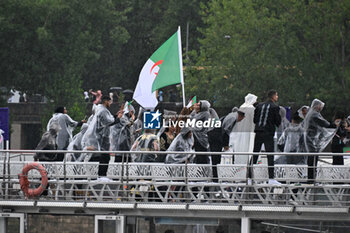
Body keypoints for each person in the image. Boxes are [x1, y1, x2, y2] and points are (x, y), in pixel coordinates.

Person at [81, 96, 122, 180]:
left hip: (98, 139)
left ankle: (95, 177)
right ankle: (101, 177)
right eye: (110, 101)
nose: (110, 103)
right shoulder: (103, 110)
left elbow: (108, 120)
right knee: (103, 158)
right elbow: (108, 122)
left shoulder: (100, 109)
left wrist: (116, 116)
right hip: (99, 140)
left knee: (97, 157)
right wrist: (118, 118)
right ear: (106, 101)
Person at [251, 90, 281, 185]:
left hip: (258, 132)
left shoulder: (259, 106)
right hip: (268, 133)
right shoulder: (275, 107)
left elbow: (255, 119)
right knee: (270, 155)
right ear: (273, 96)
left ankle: (249, 177)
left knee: (255, 154)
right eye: (276, 95)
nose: (277, 97)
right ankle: (271, 178)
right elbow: (278, 122)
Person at [303, 99, 337, 183]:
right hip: (311, 139)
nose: (321, 108)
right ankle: (311, 179)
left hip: (311, 138)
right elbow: (323, 123)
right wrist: (332, 125)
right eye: (320, 106)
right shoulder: (314, 114)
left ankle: (312, 178)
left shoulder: (311, 112)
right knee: (313, 158)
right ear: (317, 106)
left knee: (312, 157)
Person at [231, 93, 257, 164]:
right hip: (249, 133)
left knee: (239, 149)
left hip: (239, 133)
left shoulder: (241, 107)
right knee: (248, 149)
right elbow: (253, 121)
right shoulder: (252, 108)